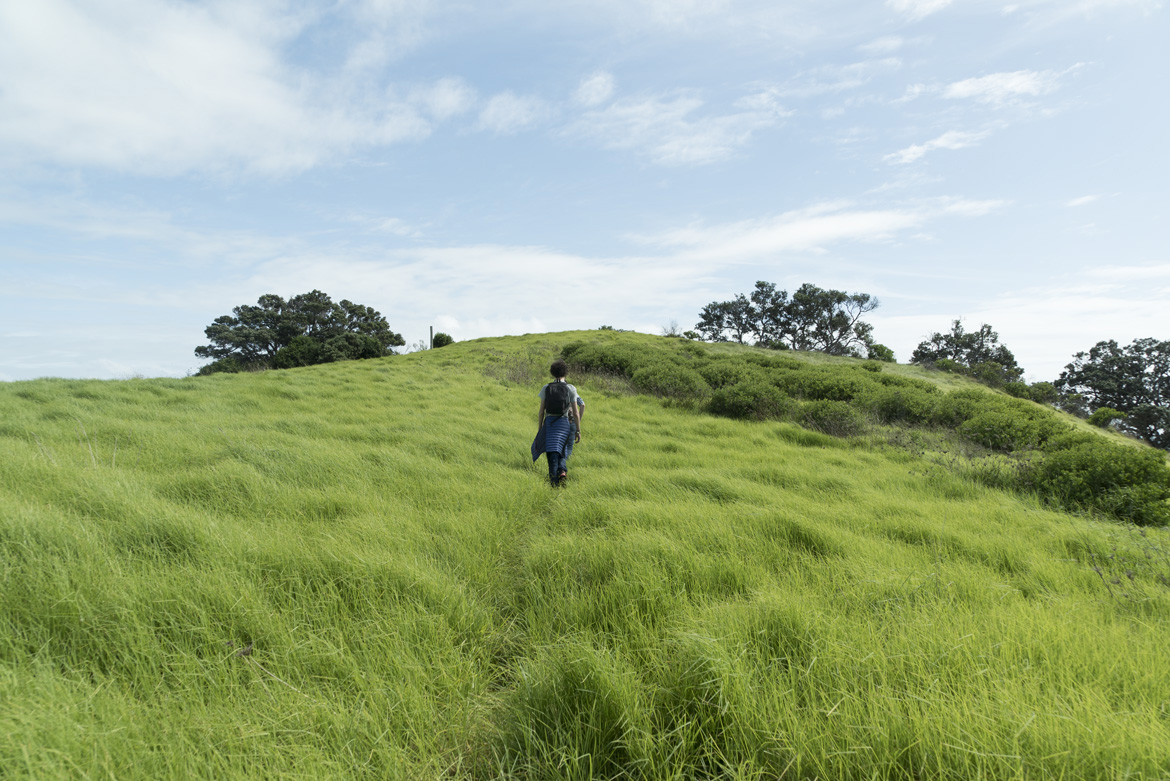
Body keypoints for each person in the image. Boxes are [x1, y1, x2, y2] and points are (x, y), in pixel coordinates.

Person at [534, 359, 583, 486]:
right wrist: (578, 430)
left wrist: (540, 429)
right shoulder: (570, 388)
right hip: (564, 423)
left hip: (550, 423)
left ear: (552, 373)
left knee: (551, 453)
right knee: (562, 450)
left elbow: (541, 412)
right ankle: (562, 471)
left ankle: (553, 483)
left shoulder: (546, 388)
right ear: (565, 373)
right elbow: (576, 413)